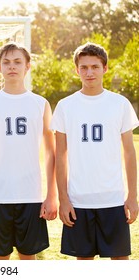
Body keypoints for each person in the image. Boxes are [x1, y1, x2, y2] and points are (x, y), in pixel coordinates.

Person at [51, 42, 139, 260]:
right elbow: (59, 156)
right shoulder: (65, 106)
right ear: (77, 69)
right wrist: (64, 198)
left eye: (95, 67)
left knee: (120, 260)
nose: (89, 72)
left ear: (105, 68)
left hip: (113, 199)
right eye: (84, 67)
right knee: (84, 262)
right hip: (79, 200)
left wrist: (133, 196)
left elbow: (129, 153)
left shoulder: (119, 103)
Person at [0, 42, 57, 260]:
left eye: (18, 62)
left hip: (31, 194)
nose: (12, 67)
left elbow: (51, 152)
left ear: (27, 66)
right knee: (0, 259)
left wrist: (51, 195)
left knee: (28, 257)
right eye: (6, 62)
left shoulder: (40, 104)